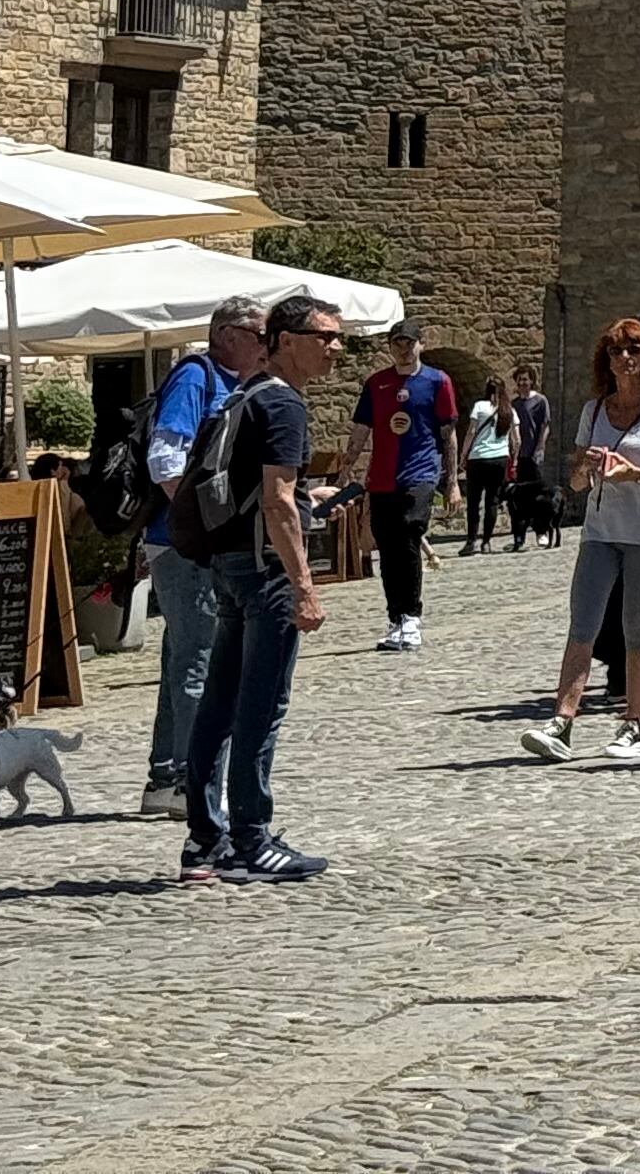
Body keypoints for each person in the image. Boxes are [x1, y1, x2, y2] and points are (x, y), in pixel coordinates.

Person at [182, 291, 348, 885]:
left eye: (338, 337)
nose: (335, 348)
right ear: (284, 340)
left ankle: (205, 839)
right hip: (265, 572)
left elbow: (272, 493)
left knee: (220, 702)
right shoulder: (284, 405)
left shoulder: (244, 395)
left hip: (229, 563)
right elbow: (276, 501)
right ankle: (252, 837)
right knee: (260, 704)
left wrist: (307, 499)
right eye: (323, 336)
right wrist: (304, 586)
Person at [523, 319, 640, 763]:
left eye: (634, 352)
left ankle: (634, 724)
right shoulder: (594, 411)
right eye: (617, 351)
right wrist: (588, 470)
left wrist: (636, 473)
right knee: (582, 625)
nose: (624, 359)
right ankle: (562, 720)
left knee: (636, 630)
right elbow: (578, 481)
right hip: (601, 533)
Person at [138, 291, 265, 823]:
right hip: (183, 543)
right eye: (260, 335)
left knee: (183, 655)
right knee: (201, 660)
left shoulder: (235, 383)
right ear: (227, 336)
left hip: (187, 541)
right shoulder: (197, 377)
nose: (267, 344)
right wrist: (201, 523)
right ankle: (196, 781)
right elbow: (164, 456)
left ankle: (166, 777)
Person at [352, 322, 458, 654]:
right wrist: (346, 467)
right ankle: (395, 616)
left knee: (410, 534)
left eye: (409, 342)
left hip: (420, 473)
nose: (403, 348)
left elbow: (448, 434)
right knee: (388, 547)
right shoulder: (376, 384)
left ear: (420, 345)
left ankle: (412, 615)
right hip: (382, 476)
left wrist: (451, 482)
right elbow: (360, 429)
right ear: (389, 347)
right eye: (397, 342)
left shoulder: (437, 382)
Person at [459, 376, 516, 553]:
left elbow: (471, 432)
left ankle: (470, 541)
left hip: (478, 458)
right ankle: (486, 542)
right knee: (493, 500)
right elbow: (518, 440)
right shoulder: (509, 411)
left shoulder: (480, 407)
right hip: (499, 459)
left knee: (474, 501)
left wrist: (463, 455)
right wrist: (513, 459)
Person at [510, 371, 555, 546]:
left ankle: (541, 531)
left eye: (525, 380)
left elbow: (545, 426)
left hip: (534, 454)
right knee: (520, 496)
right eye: (520, 380)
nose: (523, 383)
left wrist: (540, 447)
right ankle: (519, 534)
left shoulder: (540, 401)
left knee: (539, 495)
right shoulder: (514, 404)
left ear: (531, 381)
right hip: (519, 455)